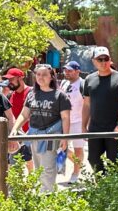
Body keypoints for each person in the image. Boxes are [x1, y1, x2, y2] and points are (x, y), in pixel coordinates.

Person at [11, 64, 70, 193]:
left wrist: (65, 138)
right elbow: (24, 114)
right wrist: (15, 128)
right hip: (34, 136)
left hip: (51, 137)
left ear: (51, 77)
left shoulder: (60, 96)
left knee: (48, 169)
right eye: (38, 74)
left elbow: (65, 118)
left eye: (44, 75)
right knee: (38, 169)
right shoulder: (32, 94)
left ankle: (47, 199)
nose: (40, 77)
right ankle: (43, 199)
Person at [82, 47, 118, 173]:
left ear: (110, 60)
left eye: (105, 59)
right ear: (93, 61)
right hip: (95, 128)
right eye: (99, 59)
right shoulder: (89, 79)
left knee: (114, 162)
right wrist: (83, 126)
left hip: (114, 129)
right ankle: (102, 186)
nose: (103, 62)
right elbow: (86, 105)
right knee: (93, 159)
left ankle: (116, 191)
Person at [59, 61, 86, 183]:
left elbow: (88, 104)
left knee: (78, 148)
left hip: (78, 121)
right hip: (65, 120)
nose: (67, 73)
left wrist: (87, 122)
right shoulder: (64, 83)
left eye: (70, 70)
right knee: (60, 146)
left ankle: (75, 173)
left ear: (77, 71)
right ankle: (78, 163)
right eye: (65, 70)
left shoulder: (83, 84)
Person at [5, 67, 34, 172]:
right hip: (14, 134)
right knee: (11, 162)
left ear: (21, 78)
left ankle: (33, 183)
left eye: (12, 79)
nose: (10, 82)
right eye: (8, 80)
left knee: (28, 160)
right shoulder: (9, 95)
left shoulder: (31, 92)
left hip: (28, 134)